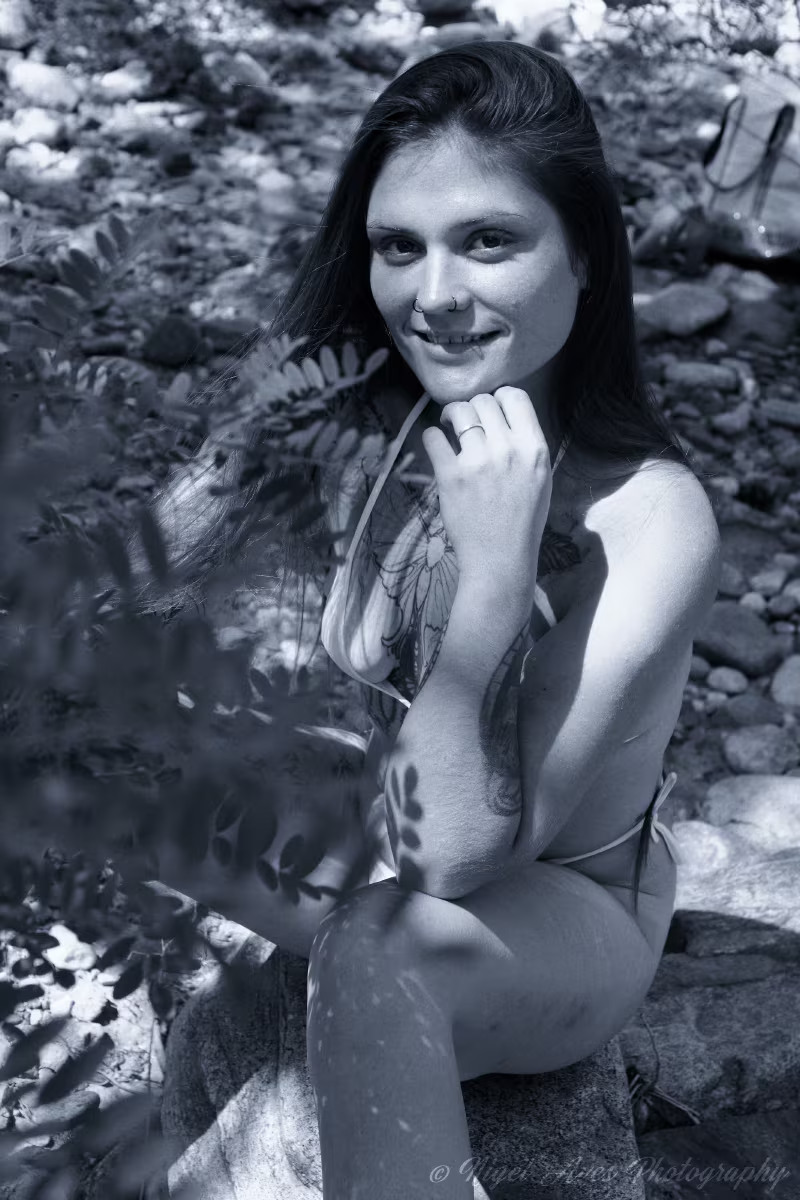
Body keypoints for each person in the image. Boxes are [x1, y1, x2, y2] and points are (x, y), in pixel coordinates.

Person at [146, 41, 721, 1199]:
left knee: (380, 949)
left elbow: (451, 861)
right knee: (77, 753)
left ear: (584, 254)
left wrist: (497, 579)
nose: (434, 296)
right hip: (392, 818)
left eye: (488, 241)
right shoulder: (384, 424)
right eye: (398, 247)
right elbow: (135, 585)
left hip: (555, 905)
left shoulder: (648, 517)